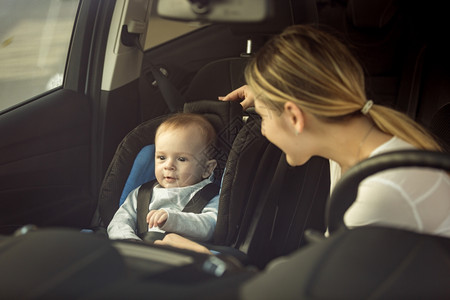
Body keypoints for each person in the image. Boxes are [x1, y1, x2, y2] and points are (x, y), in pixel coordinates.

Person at [156, 24, 450, 253]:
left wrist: (210, 262)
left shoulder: (378, 192)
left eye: (264, 118)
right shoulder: (355, 142)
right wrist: (269, 93)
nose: (265, 130)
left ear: (295, 117)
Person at [107, 113, 219, 242]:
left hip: (182, 254)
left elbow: (210, 226)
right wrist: (130, 241)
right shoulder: (141, 194)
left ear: (207, 169)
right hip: (140, 251)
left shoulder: (210, 197)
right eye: (161, 157)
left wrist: (172, 219)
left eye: (182, 159)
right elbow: (119, 222)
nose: (168, 165)